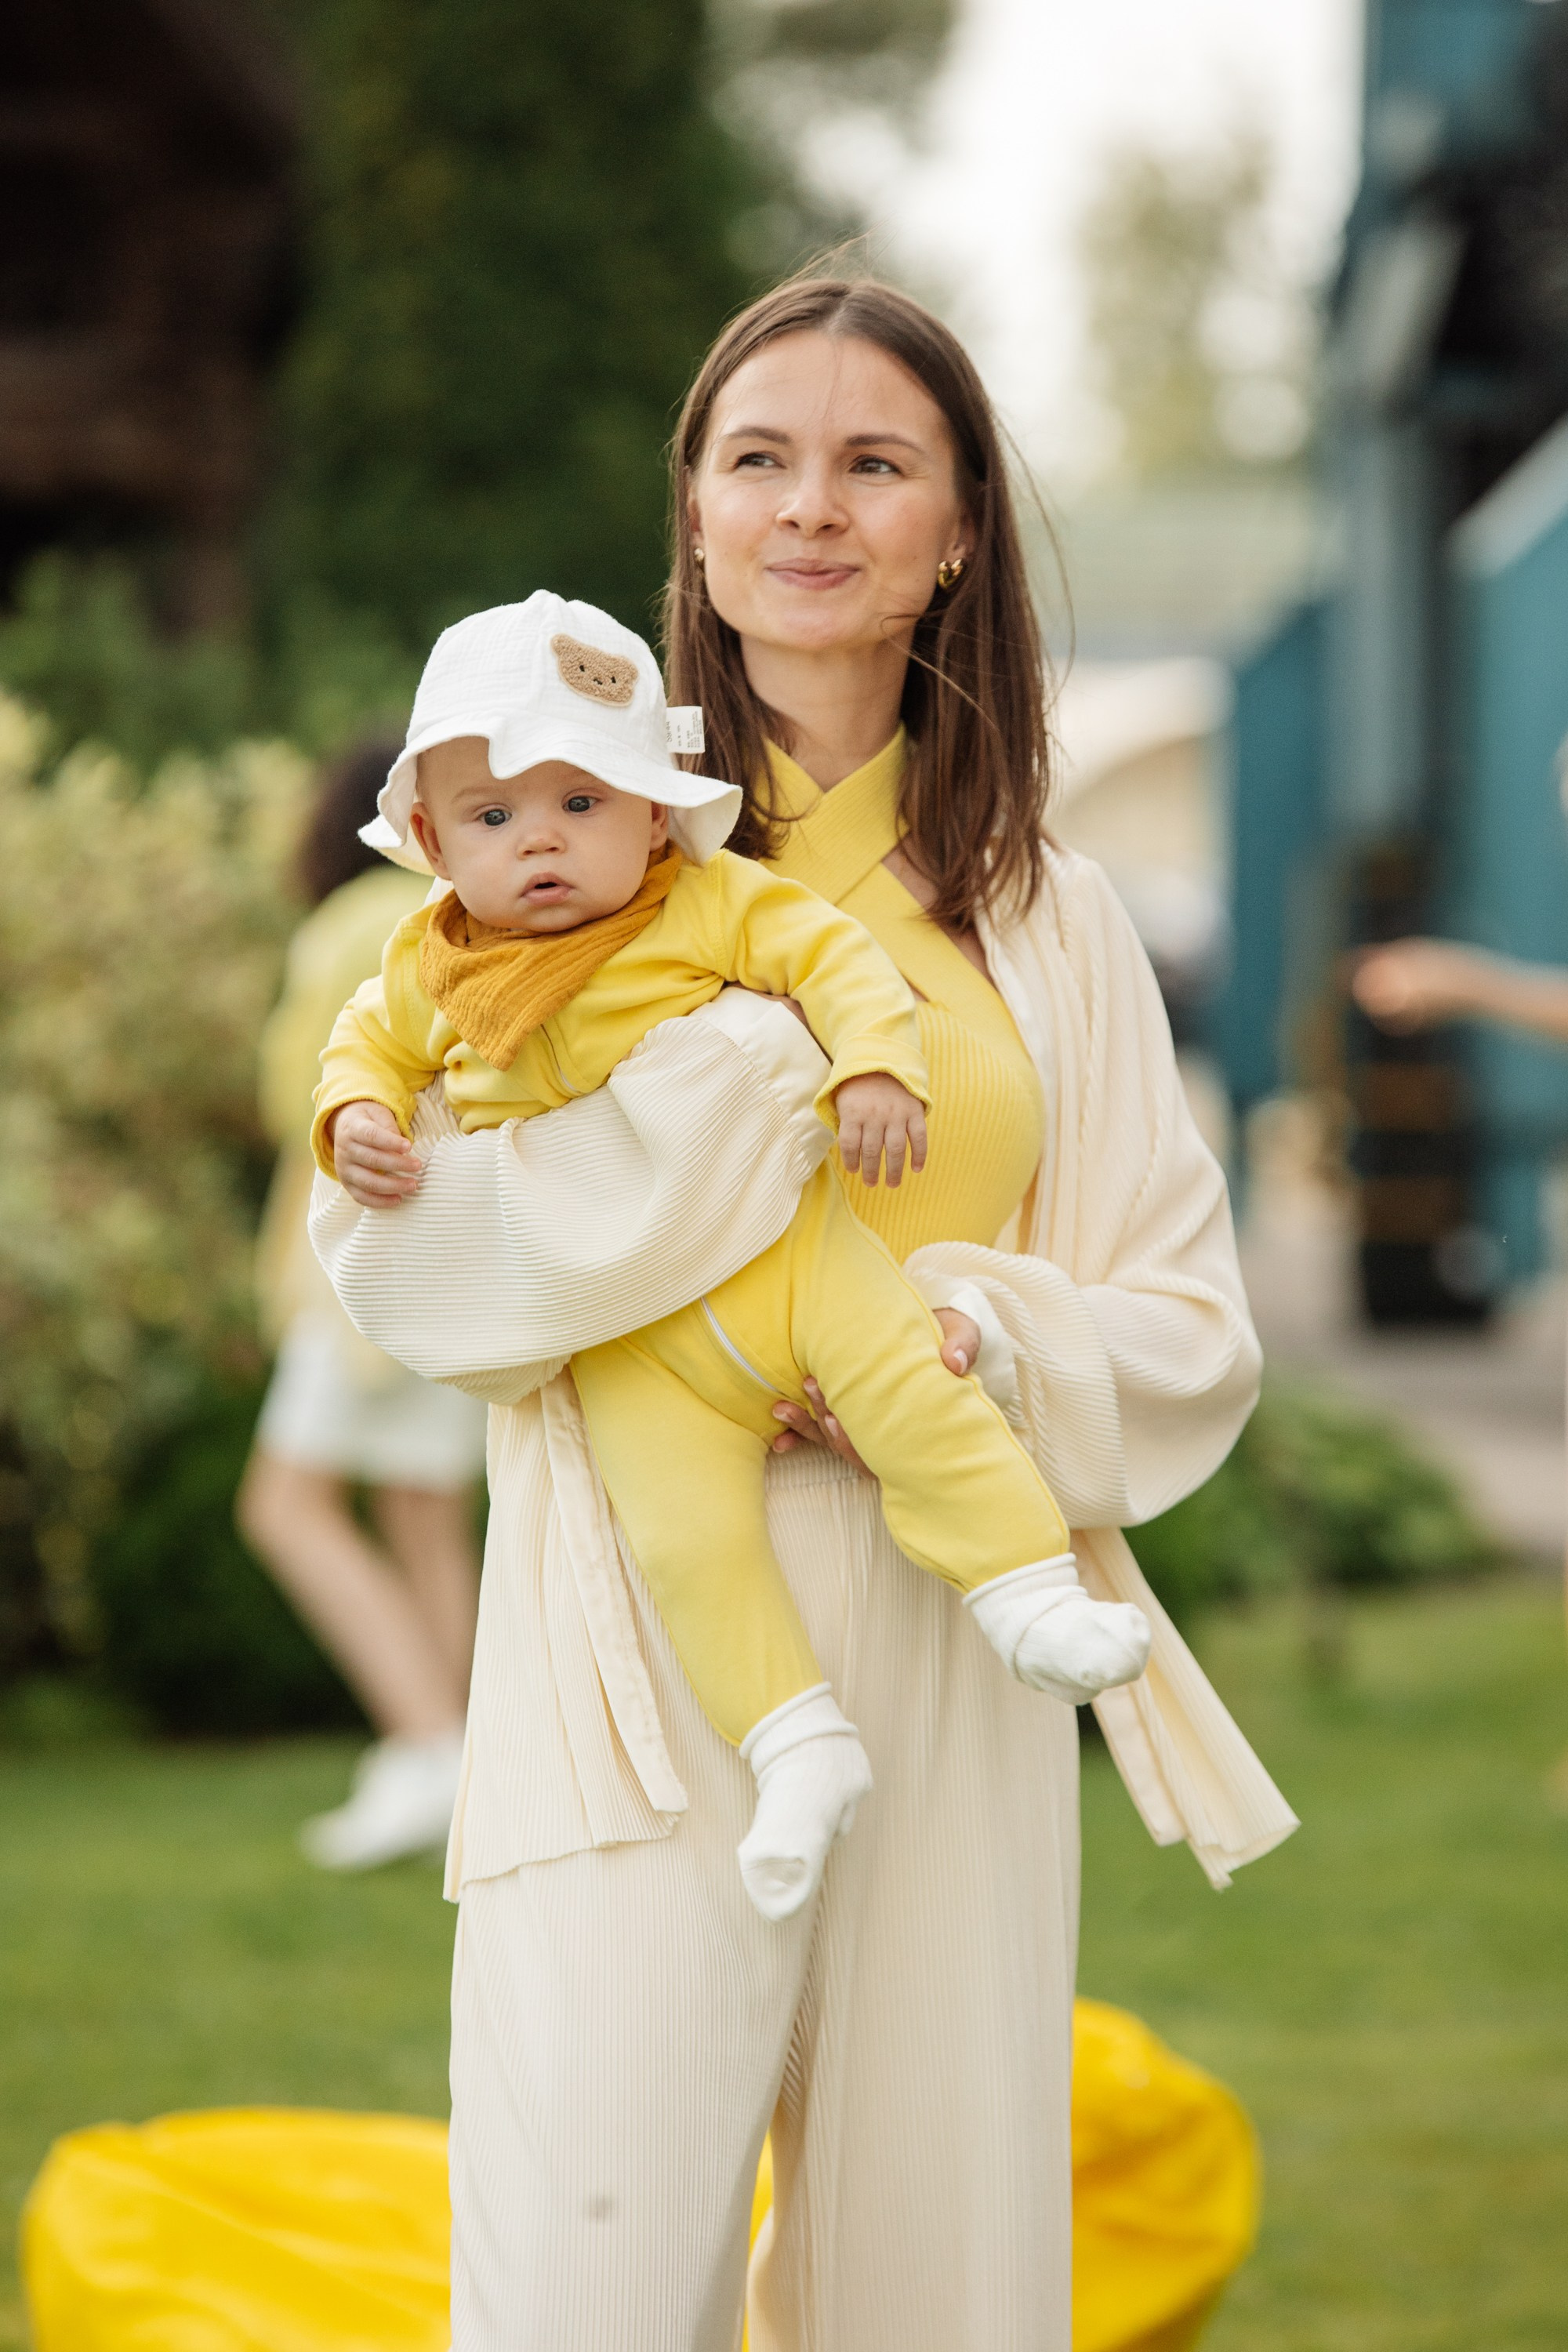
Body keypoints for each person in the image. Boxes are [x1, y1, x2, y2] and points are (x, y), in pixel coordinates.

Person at [311, 275, 1294, 2351]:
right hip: (628, 1625)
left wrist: (974, 1335)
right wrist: (727, 1137)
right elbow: (415, 1264)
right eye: (759, 457)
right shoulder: (546, 858)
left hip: (956, 1615)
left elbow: (1189, 1325)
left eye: (875, 463)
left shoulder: (1053, 911)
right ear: (691, 518)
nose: (811, 506)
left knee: (935, 2282)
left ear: (957, 534)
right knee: (585, 2273)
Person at [313, 593, 1149, 1920]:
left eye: (580, 805)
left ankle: (1025, 1588)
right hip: (631, 1343)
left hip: (783, 1255)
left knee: (908, 1388)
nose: (539, 840)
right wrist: (354, 1119)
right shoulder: (429, 969)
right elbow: (366, 1050)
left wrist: (878, 1066)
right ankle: (793, 1743)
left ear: (655, 814)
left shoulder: (697, 904)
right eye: (491, 817)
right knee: (686, 1537)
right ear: (428, 841)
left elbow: (835, 958)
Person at [238, 742, 488, 1871]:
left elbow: (294, 1095)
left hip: (360, 1279)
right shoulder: (465, 914)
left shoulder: (349, 928)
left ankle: (429, 1747)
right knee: (425, 1518)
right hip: (467, 1272)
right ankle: (482, 1764)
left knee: (283, 1507)